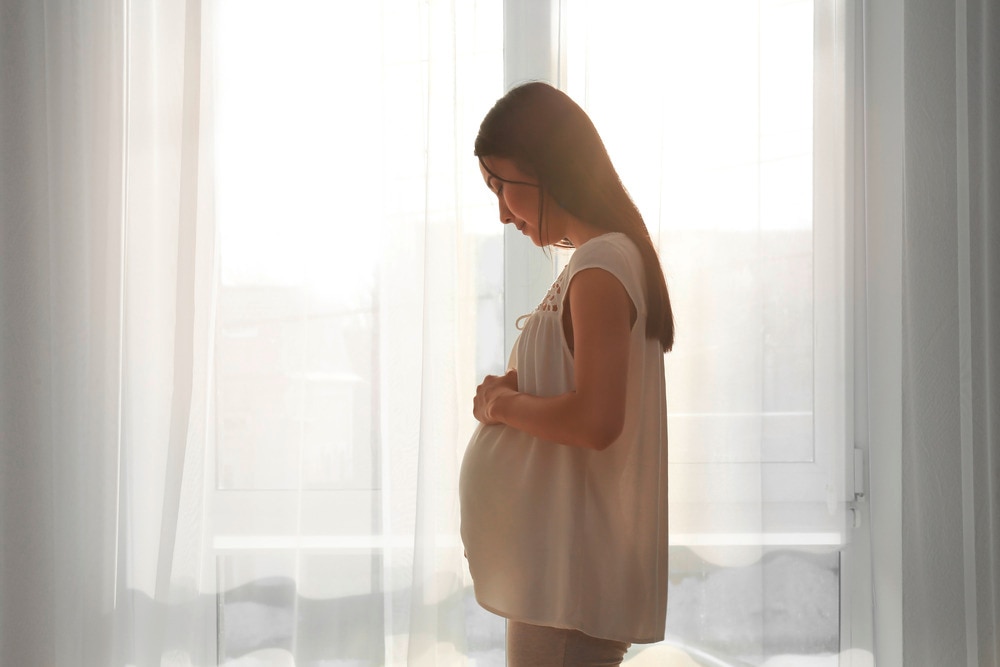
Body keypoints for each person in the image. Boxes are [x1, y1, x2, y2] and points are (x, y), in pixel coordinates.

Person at [459, 81, 674, 667]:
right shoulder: (600, 260)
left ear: (550, 169)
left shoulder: (602, 264)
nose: (502, 212)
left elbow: (596, 419)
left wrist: (499, 407)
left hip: (568, 585)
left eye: (504, 187)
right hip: (558, 578)